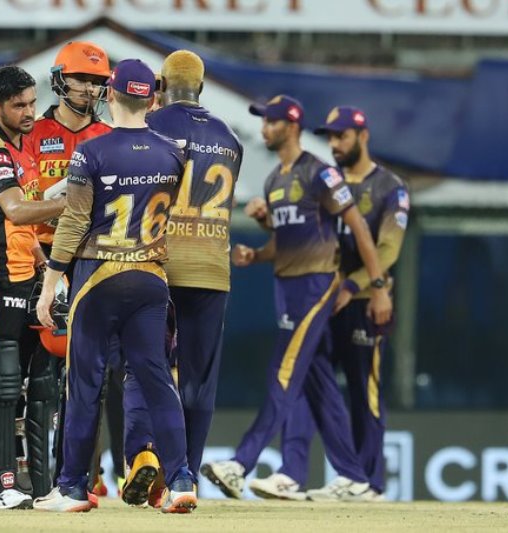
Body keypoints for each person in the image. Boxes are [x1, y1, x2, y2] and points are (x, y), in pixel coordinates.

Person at [200, 95, 392, 502]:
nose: (264, 129)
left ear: (291, 126)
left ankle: (240, 463)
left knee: (283, 372)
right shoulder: (275, 180)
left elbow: (358, 227)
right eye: (263, 122)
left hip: (315, 286)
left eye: (270, 122)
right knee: (318, 379)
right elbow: (287, 240)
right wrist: (257, 254)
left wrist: (377, 287)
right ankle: (353, 475)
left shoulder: (320, 173)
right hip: (285, 286)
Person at [32, 59, 196, 513]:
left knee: (84, 384)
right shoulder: (174, 152)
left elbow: (73, 222)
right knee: (156, 379)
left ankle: (71, 487)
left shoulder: (91, 153)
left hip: (98, 277)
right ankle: (181, 479)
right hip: (150, 277)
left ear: (111, 94)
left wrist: (49, 284)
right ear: (151, 99)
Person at [121, 49, 244, 507]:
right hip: (212, 265)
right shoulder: (230, 138)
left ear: (160, 87)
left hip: (159, 262)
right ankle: (184, 478)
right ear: (202, 88)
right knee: (199, 381)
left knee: (145, 364)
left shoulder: (150, 126)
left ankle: (144, 454)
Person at [277, 106, 410, 500]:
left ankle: (368, 482)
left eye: (342, 136)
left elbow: (388, 249)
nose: (334, 144)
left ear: (362, 136)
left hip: (363, 301)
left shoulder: (390, 188)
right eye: (330, 137)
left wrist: (353, 285)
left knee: (363, 390)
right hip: (323, 300)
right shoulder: (324, 183)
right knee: (304, 384)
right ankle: (291, 474)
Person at [0, 65, 66, 509]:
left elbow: (23, 228)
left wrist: (45, 264)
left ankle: (40, 488)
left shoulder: (24, 150)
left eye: (32, 103)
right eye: (18, 105)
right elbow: (17, 211)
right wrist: (72, 204)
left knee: (39, 382)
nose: (28, 112)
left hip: (25, 273)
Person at [22, 40, 119, 499]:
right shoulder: (33, 134)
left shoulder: (108, 137)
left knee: (90, 377)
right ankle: (32, 476)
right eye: (81, 79)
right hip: (39, 259)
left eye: (97, 82)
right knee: (37, 375)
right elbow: (19, 202)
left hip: (91, 263)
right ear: (61, 80)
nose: (88, 89)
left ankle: (82, 474)